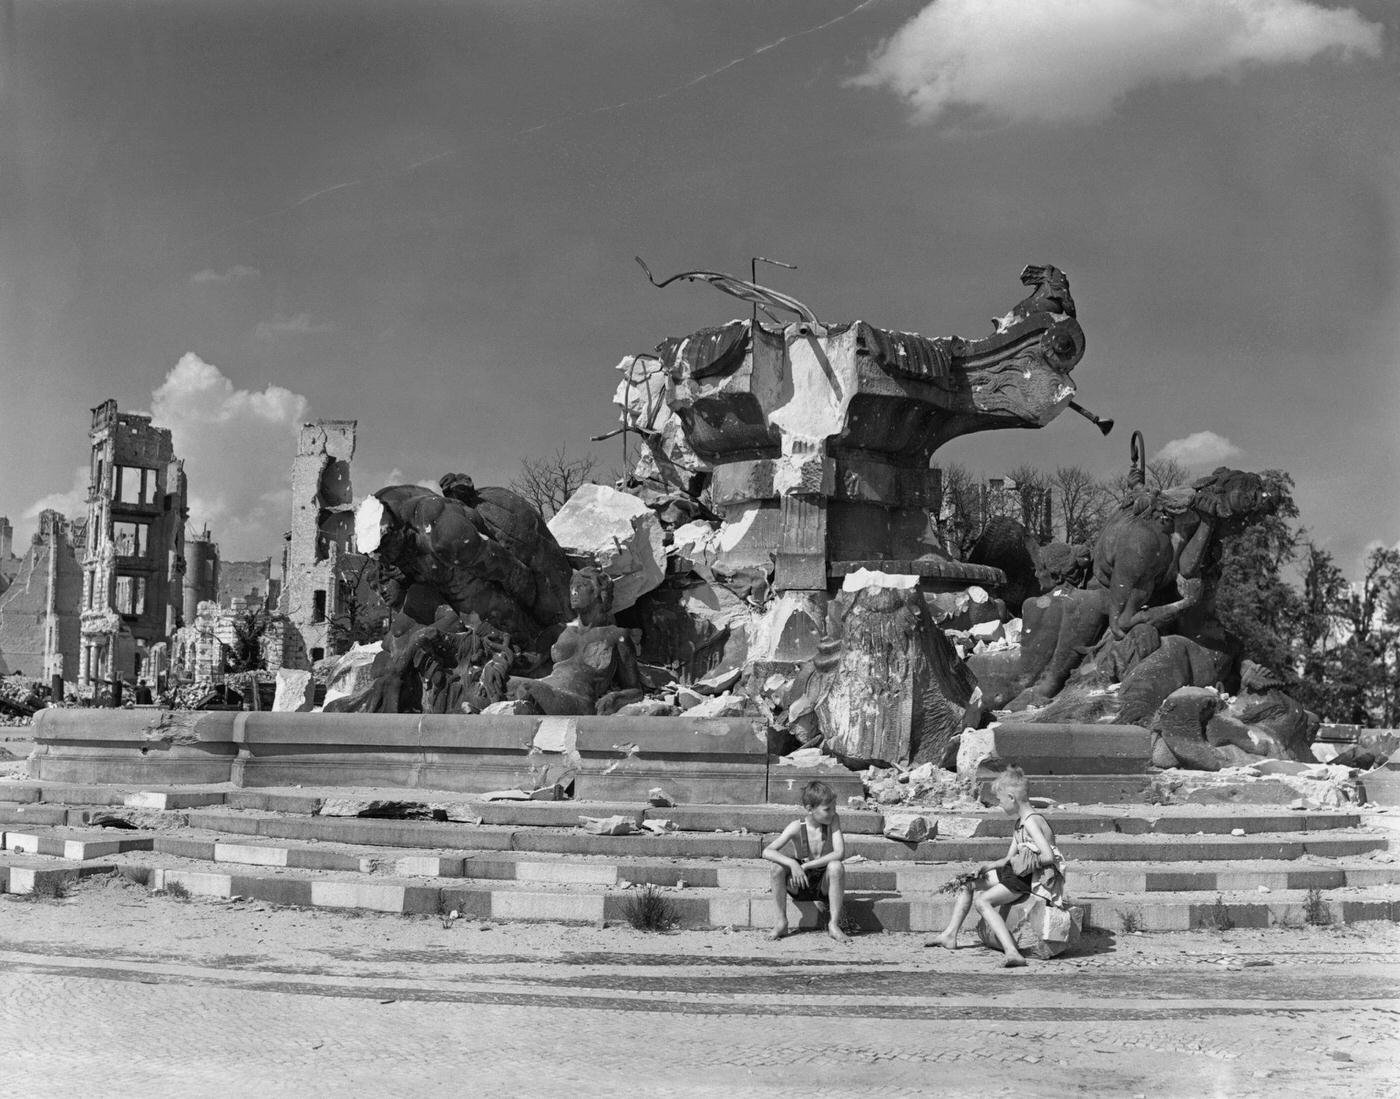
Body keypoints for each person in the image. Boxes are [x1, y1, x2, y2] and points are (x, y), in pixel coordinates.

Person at [925, 766, 1057, 967]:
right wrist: (987, 866)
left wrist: (1023, 863)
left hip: (1024, 878)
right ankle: (950, 935)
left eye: (1001, 800)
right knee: (967, 884)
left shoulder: (1031, 822)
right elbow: (1007, 859)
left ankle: (1012, 952)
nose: (999, 804)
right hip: (1013, 872)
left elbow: (1048, 856)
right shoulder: (1020, 823)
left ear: (1012, 798)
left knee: (982, 902)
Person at [762, 780, 849, 942]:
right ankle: (781, 922)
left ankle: (833, 924)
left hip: (823, 884)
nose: (832, 812)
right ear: (810, 809)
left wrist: (807, 865)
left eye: (834, 808)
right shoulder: (796, 826)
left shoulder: (833, 821)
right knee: (776, 868)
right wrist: (793, 863)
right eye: (827, 809)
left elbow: (839, 853)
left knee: (836, 866)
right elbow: (767, 851)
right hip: (799, 883)